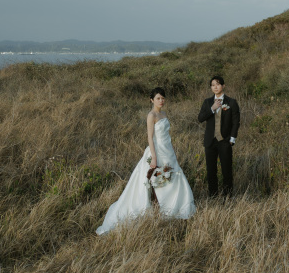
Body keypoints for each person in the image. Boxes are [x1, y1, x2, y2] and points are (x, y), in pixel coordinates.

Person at [96, 87, 195, 235]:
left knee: (174, 176)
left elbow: (167, 136)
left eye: (163, 98)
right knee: (157, 178)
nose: (161, 101)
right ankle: (157, 207)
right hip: (157, 151)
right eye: (158, 98)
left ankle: (175, 206)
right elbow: (150, 137)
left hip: (168, 150)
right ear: (152, 100)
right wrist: (154, 157)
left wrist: (173, 152)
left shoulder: (164, 114)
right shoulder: (151, 115)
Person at [197, 76, 240, 197]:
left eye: (218, 84)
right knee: (211, 171)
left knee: (227, 170)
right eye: (213, 85)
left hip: (225, 141)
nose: (215, 87)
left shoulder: (231, 102)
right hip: (210, 141)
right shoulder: (207, 102)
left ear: (223, 86)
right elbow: (200, 118)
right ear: (211, 87)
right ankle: (213, 196)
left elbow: (236, 122)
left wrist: (232, 139)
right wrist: (212, 109)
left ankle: (228, 197)